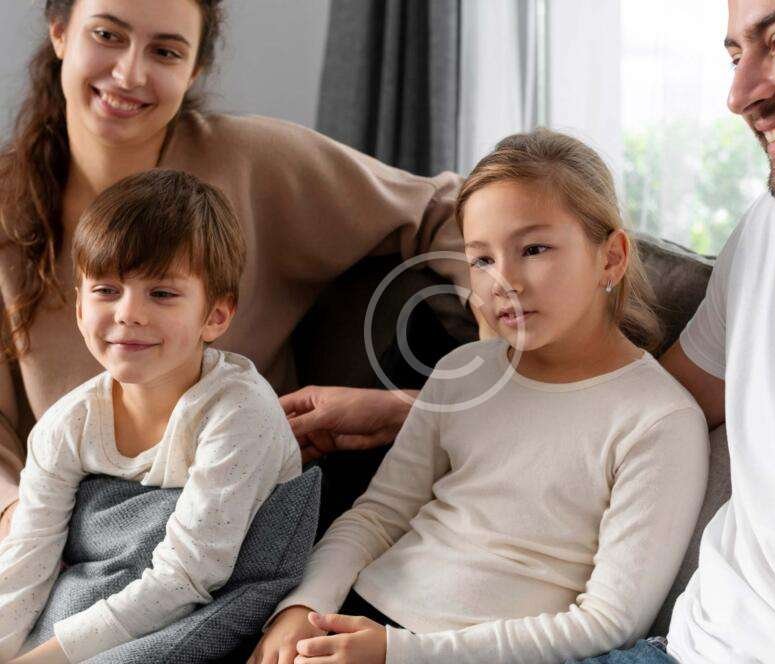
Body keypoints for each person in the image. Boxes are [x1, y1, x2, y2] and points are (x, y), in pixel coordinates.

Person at [0, 0, 466, 538]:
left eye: (166, 51)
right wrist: (22, 524)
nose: (129, 73)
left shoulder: (250, 162)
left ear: (194, 68)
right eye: (107, 35)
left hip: (244, 520)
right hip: (69, 532)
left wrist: (493, 356)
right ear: (60, 33)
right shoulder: (9, 207)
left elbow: (444, 209)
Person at [247, 129, 710, 664]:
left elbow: (608, 621)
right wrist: (301, 607)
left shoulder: (659, 420)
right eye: (482, 259)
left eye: (534, 249)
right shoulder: (461, 372)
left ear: (611, 258)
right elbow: (376, 516)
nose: (503, 281)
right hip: (353, 621)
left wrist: (399, 653)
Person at [564, 0, 775, 662]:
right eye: (737, 56)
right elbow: (659, 400)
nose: (740, 96)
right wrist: (427, 414)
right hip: (674, 648)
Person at [0, 169, 304, 663]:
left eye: (161, 294)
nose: (129, 313)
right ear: (78, 306)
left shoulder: (238, 410)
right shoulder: (67, 424)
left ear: (216, 316)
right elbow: (25, 566)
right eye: (105, 290)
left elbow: (189, 575)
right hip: (110, 600)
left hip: (209, 602)